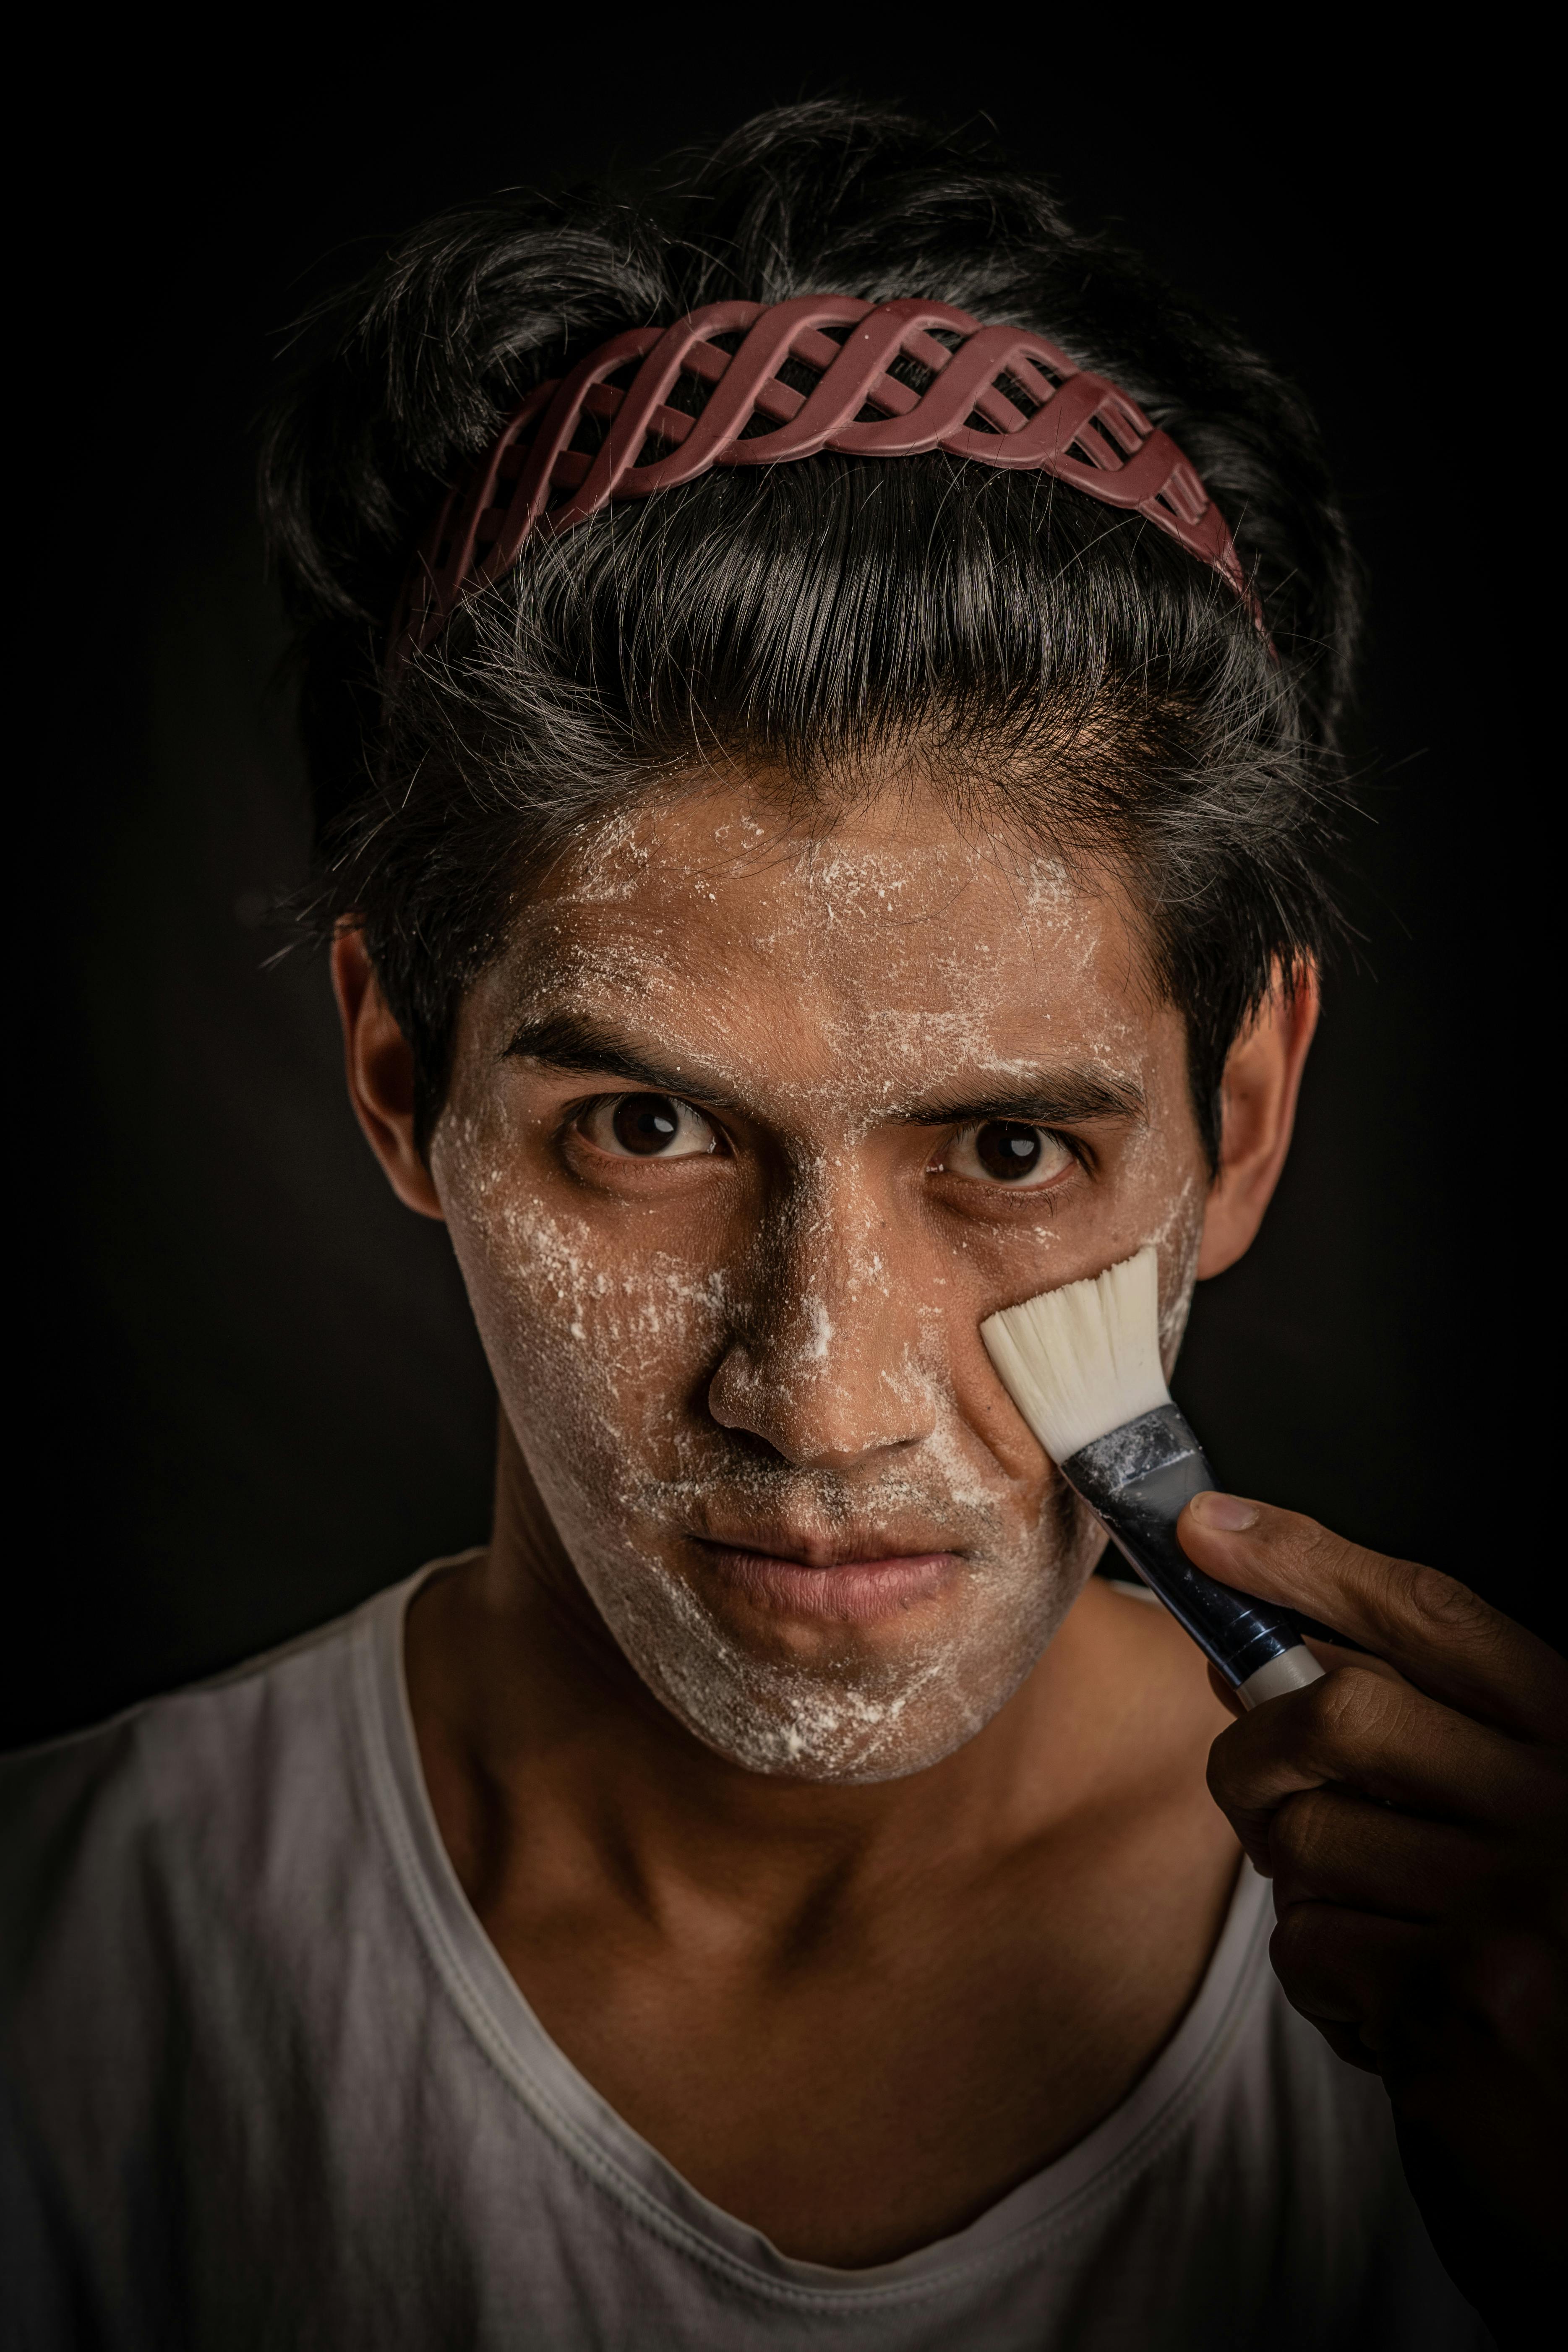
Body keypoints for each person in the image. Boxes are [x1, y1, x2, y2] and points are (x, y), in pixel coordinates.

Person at [3, 102, 1560, 2352]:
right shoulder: (63, 1991)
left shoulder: (1506, 2004)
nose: (819, 1394)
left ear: (1243, 1119)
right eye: (646, 1123)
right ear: (399, 1076)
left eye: (1009, 1151)